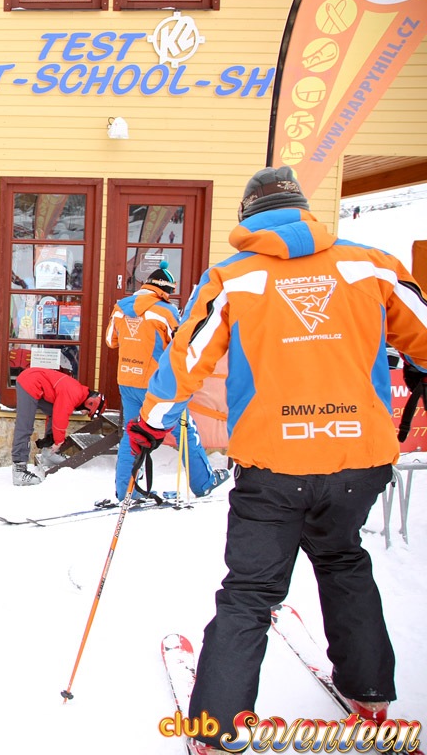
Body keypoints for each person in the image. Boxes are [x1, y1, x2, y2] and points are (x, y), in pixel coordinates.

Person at [126, 167, 427, 753]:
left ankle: (218, 728)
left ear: (248, 217)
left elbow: (186, 359)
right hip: (357, 458)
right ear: (302, 208)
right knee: (343, 560)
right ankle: (370, 692)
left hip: (273, 466)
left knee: (250, 590)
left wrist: (151, 420)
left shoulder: (233, 277)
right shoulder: (371, 265)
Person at [104, 261, 228, 502]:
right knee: (185, 430)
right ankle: (202, 482)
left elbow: (111, 340)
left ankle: (125, 489)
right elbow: (181, 345)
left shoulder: (120, 308)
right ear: (165, 290)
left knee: (132, 433)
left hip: (127, 380)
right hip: (158, 385)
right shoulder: (166, 311)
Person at [11, 367, 104, 486]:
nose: (84, 413)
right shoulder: (74, 393)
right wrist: (59, 441)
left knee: (53, 411)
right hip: (29, 382)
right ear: (90, 403)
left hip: (33, 381)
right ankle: (19, 471)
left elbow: (56, 413)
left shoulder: (77, 391)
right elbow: (61, 416)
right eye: (88, 412)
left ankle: (49, 453)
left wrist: (54, 441)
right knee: (25, 425)